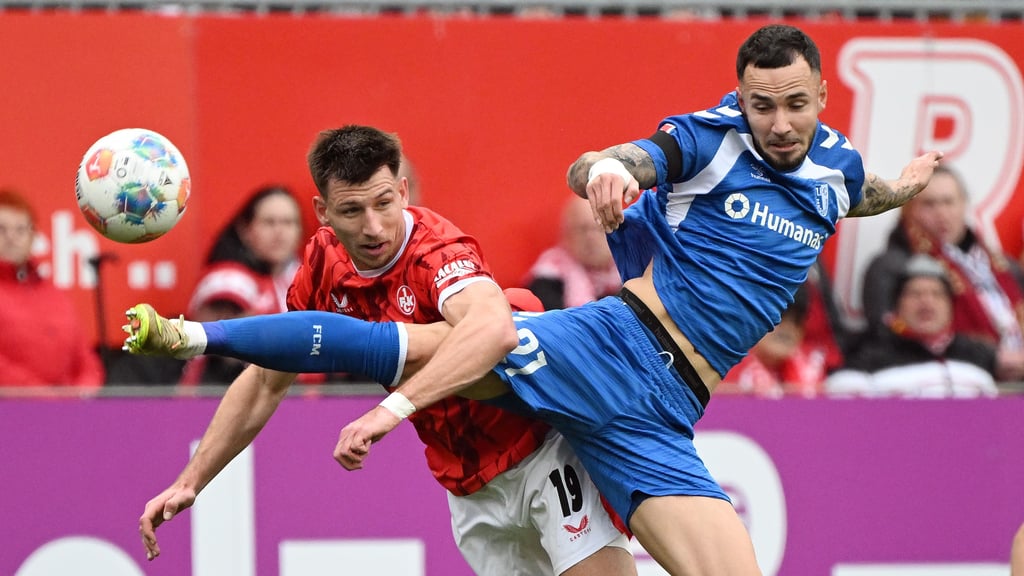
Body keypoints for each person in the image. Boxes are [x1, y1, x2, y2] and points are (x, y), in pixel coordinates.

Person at [124, 25, 943, 575]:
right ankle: (190, 335)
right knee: (467, 336)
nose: (777, 122)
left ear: (824, 97)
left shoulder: (834, 170)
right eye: (761, 104)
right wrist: (608, 171)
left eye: (795, 104)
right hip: (611, 347)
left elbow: (855, 194)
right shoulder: (709, 138)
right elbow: (609, 162)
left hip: (661, 412)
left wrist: (903, 185)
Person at [130, 126, 635, 576]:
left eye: (383, 204)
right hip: (469, 486)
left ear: (402, 191)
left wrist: (388, 412)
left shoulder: (439, 251)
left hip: (544, 448)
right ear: (323, 212)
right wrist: (191, 481)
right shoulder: (323, 263)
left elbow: (492, 329)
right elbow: (266, 379)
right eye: (352, 210)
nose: (373, 227)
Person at [861, 164, 1024, 382]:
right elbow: (890, 338)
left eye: (948, 202)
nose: (942, 214)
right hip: (955, 383)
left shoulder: (1006, 267)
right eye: (929, 204)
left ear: (964, 205)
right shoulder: (890, 267)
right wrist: (989, 359)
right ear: (908, 209)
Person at [825, 255, 1000, 397]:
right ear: (896, 306)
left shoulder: (978, 355)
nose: (926, 302)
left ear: (951, 307)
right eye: (915, 294)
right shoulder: (870, 355)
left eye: (937, 294)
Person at [180, 185, 304, 385]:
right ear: (246, 229)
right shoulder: (227, 278)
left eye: (289, 223)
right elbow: (224, 356)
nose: (279, 232)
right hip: (225, 392)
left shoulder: (305, 277)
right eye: (269, 222)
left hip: (311, 399)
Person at [0, 188, 104, 389]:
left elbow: (85, 358)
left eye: (20, 229)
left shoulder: (54, 294)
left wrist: (83, 390)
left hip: (64, 413)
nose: (11, 237)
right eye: (1, 229)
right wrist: (45, 399)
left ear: (33, 236)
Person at [719, 286, 827, 398]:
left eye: (797, 320)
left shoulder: (814, 373)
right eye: (779, 318)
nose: (788, 329)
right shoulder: (721, 370)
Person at [523, 195, 622, 310]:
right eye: (582, 229)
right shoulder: (547, 280)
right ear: (567, 235)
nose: (591, 238)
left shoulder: (630, 276)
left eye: (599, 228)